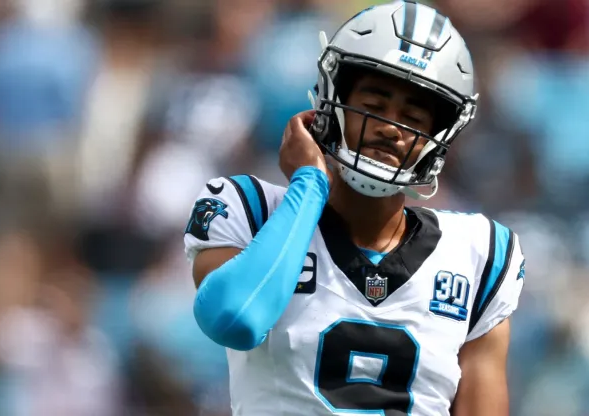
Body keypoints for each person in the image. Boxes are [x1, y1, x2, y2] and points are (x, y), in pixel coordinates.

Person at [184, 1, 526, 415]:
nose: (390, 128)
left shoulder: (479, 255)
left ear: (440, 135)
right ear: (330, 101)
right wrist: (308, 184)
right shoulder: (250, 209)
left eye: (413, 116)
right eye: (373, 106)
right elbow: (235, 317)